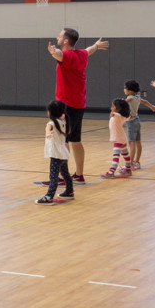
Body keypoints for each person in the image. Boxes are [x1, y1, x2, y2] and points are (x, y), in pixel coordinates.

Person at [47, 27, 109, 182]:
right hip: (78, 104)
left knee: (62, 141)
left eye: (60, 36)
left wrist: (53, 52)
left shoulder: (67, 56)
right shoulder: (81, 54)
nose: (57, 37)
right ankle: (79, 174)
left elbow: (59, 55)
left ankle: (62, 176)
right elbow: (89, 50)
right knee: (75, 140)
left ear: (66, 41)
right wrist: (96, 45)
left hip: (66, 105)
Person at [36, 100, 74, 204]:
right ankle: (69, 192)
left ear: (49, 112)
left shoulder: (51, 123)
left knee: (53, 177)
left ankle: (49, 197)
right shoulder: (64, 122)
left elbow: (48, 128)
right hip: (63, 153)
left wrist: (48, 133)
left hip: (56, 154)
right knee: (66, 174)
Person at [124, 80, 155, 169]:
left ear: (130, 90)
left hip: (131, 122)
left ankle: (129, 164)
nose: (124, 89)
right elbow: (145, 101)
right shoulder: (137, 97)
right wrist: (152, 106)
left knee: (131, 143)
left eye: (125, 88)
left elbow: (124, 102)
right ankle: (136, 162)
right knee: (138, 142)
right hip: (137, 121)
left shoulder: (130, 98)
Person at [102, 98, 132, 178]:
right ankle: (128, 169)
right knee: (125, 155)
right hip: (122, 138)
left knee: (116, 156)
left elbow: (113, 114)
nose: (111, 108)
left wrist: (122, 103)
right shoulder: (122, 116)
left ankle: (111, 172)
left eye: (113, 106)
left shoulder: (117, 115)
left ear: (118, 109)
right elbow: (129, 115)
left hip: (118, 139)